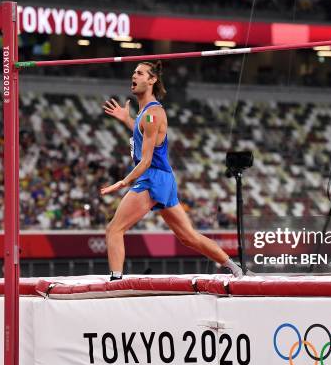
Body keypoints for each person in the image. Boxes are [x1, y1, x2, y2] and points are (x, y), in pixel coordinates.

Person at [101, 61, 244, 280]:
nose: (134, 76)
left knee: (114, 229)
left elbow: (146, 160)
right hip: (163, 179)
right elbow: (145, 134)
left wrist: (124, 181)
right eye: (134, 73)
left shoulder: (153, 113)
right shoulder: (146, 113)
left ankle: (115, 281)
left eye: (140, 73)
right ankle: (235, 269)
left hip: (152, 177)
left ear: (152, 80)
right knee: (188, 237)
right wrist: (127, 119)